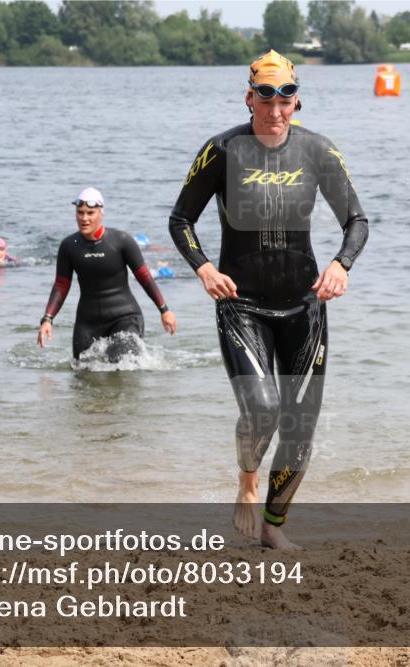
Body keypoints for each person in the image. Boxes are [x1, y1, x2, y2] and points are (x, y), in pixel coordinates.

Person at [169, 51, 368, 549]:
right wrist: (204, 269)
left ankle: (273, 528)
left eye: (285, 97)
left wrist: (342, 264)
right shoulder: (222, 150)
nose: (275, 109)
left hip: (304, 305)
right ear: (249, 97)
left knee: (300, 426)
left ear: (296, 100)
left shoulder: (318, 151)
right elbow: (181, 220)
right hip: (243, 305)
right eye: (265, 97)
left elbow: (357, 222)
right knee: (262, 409)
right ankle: (247, 478)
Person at [38, 187, 177, 363]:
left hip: (124, 317)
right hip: (88, 322)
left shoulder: (121, 241)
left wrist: (164, 310)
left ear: (101, 213)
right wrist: (47, 319)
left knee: (121, 365)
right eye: (80, 212)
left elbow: (145, 277)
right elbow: (61, 285)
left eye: (90, 213)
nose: (84, 218)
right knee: (82, 373)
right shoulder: (69, 246)